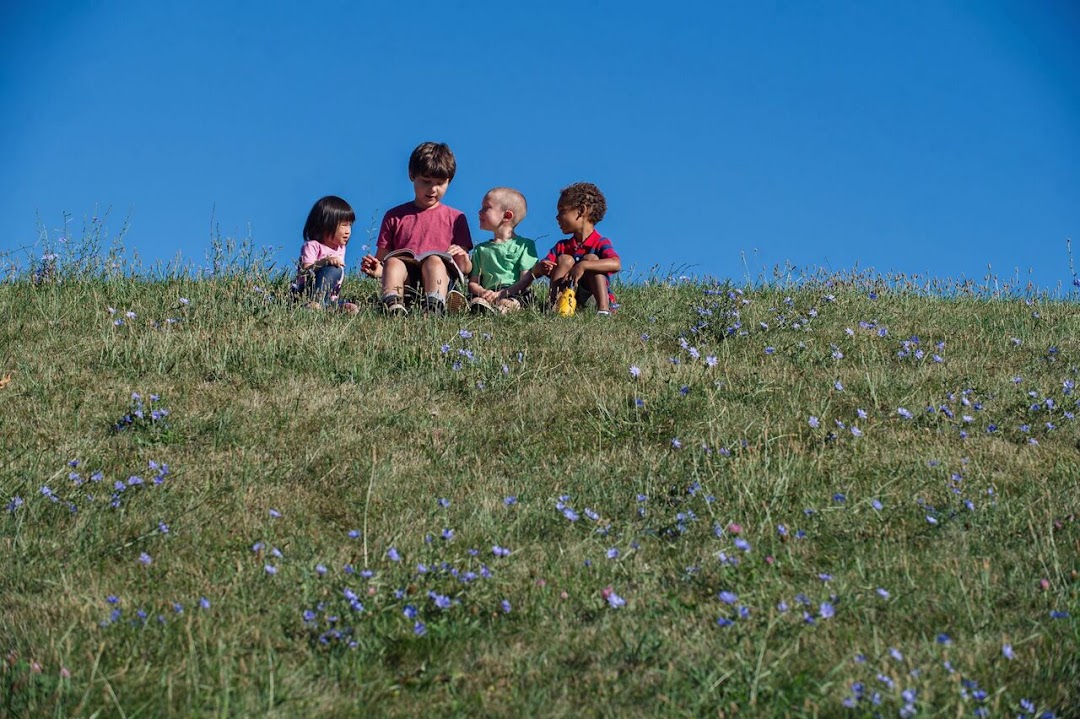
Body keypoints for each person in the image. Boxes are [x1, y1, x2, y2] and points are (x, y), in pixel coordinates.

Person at [360, 142, 473, 314]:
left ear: (449, 181)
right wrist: (376, 270)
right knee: (393, 261)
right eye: (426, 181)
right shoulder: (394, 216)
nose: (433, 189)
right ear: (412, 175)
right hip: (406, 284)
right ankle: (393, 304)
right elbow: (383, 262)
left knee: (434, 260)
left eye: (440, 183)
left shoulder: (457, 218)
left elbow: (463, 269)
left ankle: (434, 308)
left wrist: (464, 260)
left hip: (441, 280)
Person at [534, 182, 621, 315]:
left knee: (591, 259)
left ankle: (603, 310)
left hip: (592, 298)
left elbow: (615, 264)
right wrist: (544, 267)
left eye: (562, 211)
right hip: (566, 296)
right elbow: (541, 268)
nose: (557, 217)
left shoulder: (600, 242)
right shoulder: (562, 246)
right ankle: (554, 309)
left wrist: (584, 266)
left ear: (581, 210)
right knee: (564, 260)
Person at [467, 187, 538, 313]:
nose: (479, 212)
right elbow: (473, 282)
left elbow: (526, 280)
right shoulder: (480, 249)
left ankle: (498, 313)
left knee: (509, 303)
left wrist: (503, 293)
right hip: (487, 292)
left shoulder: (525, 245)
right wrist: (483, 292)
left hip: (513, 292)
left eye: (486, 208)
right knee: (476, 301)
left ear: (507, 215)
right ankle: (479, 310)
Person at [292, 195, 359, 313]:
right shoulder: (312, 246)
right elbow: (304, 272)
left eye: (350, 225)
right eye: (343, 225)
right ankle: (314, 302)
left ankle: (326, 305)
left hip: (329, 297)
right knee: (334, 269)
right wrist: (325, 262)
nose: (348, 231)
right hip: (306, 292)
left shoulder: (341, 248)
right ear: (326, 225)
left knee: (352, 307)